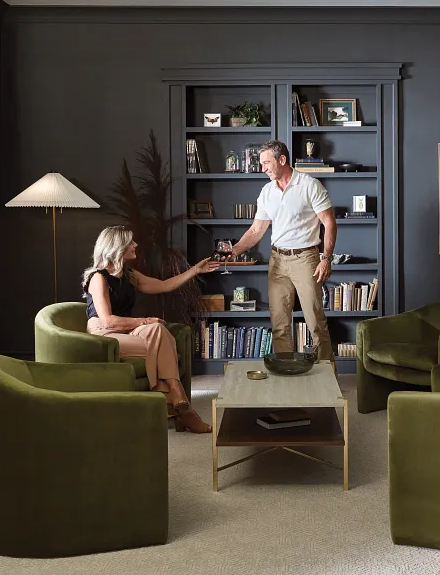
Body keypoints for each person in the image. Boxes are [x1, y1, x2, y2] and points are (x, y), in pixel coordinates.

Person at [82, 225, 219, 433]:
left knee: (158, 330)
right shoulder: (98, 278)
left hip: (126, 328)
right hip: (105, 335)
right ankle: (180, 402)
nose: (136, 245)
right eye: (130, 242)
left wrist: (195, 270)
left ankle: (174, 395)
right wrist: (144, 320)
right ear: (117, 247)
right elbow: (108, 321)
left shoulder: (129, 275)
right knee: (160, 337)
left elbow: (163, 285)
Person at [218, 140, 336, 360]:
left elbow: (329, 223)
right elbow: (256, 231)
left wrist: (326, 258)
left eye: (266, 163)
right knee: (280, 325)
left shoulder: (310, 185)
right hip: (277, 261)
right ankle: (286, 379)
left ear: (282, 159)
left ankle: (328, 380)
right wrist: (232, 251)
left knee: (316, 323)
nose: (262, 168)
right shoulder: (266, 192)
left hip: (305, 259)